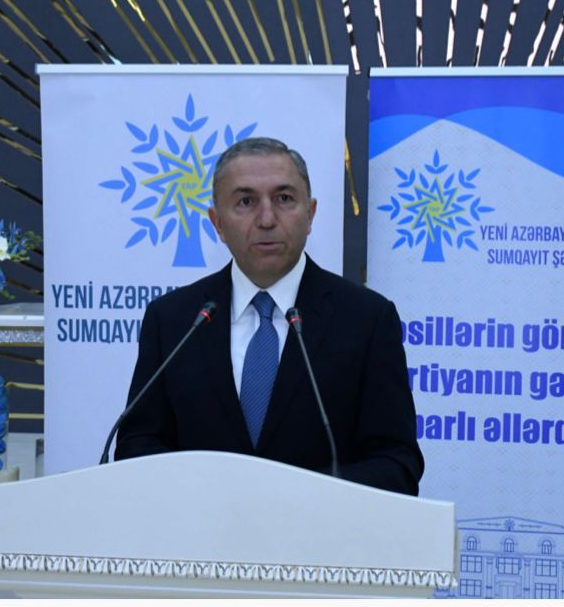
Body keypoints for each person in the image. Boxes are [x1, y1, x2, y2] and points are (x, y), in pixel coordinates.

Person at [115, 137, 424, 495]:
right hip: (199, 527)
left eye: (284, 199)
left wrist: (295, 497)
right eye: (246, 202)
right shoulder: (173, 320)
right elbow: (137, 448)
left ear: (310, 214)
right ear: (217, 222)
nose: (267, 219)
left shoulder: (366, 319)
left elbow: (396, 462)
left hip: (318, 528)